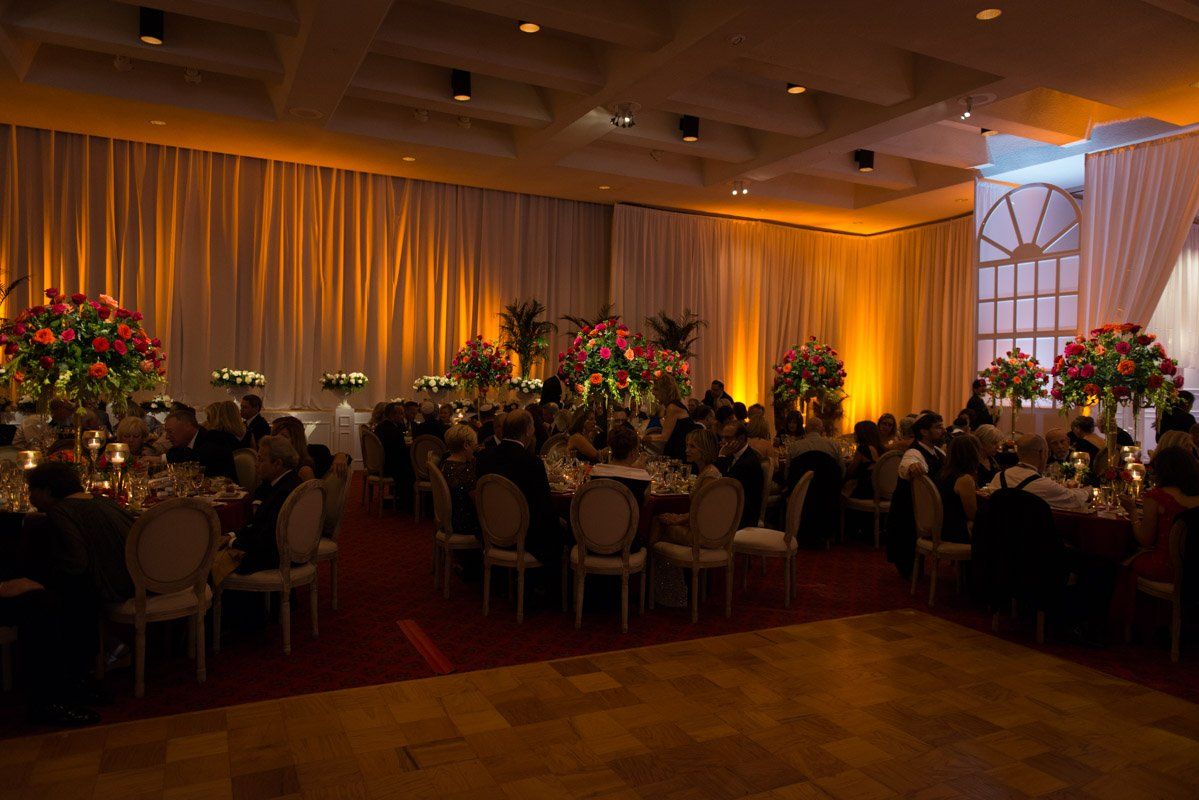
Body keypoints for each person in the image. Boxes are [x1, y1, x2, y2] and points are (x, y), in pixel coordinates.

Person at [0, 462, 134, 724]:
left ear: (47, 491)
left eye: (32, 491)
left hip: (112, 583)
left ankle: (72, 682)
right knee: (50, 602)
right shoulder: (102, 504)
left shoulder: (63, 513)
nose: (29, 498)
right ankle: (47, 701)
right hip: (129, 580)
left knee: (76, 597)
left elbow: (75, 561)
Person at [475, 409, 565, 568]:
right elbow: (544, 508)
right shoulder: (532, 463)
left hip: (490, 531)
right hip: (525, 538)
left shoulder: (483, 458)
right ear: (528, 430)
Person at [1124, 446, 1199, 585]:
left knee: (1123, 565)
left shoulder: (1157, 497)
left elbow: (1145, 540)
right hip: (1194, 568)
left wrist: (1133, 512)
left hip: (1169, 567)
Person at [231, 436, 303, 574]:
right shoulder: (286, 482)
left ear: (277, 464)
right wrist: (231, 535)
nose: (256, 464)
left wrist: (231, 543)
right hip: (279, 551)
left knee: (208, 562)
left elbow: (265, 537)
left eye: (261, 460)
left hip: (274, 557)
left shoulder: (284, 492)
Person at [887, 412, 946, 577]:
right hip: (910, 517)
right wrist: (913, 467)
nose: (943, 431)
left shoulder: (938, 452)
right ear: (924, 432)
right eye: (938, 427)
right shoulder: (914, 452)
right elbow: (907, 465)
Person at [652, 429, 722, 544]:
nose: (686, 450)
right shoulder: (705, 471)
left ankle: (647, 560)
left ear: (705, 448)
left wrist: (678, 519)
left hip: (704, 534)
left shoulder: (710, 475)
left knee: (658, 522)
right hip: (700, 526)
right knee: (659, 518)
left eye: (692, 447)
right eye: (687, 446)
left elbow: (704, 511)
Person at [986, 434, 1091, 510]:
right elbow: (1074, 500)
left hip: (1000, 536)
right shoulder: (1043, 485)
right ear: (1042, 453)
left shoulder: (998, 477)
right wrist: (1087, 492)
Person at [163, 408, 237, 479]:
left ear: (188, 426)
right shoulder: (183, 444)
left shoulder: (214, 439)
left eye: (170, 431)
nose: (167, 437)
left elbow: (196, 460)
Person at [716, 420, 763, 530]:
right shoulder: (733, 454)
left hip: (742, 515)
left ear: (741, 438)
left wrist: (721, 456)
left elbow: (723, 483)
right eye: (722, 437)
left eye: (727, 438)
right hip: (732, 505)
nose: (723, 442)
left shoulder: (748, 462)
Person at [437, 424, 480, 538]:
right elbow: (478, 502)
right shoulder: (464, 471)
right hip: (463, 523)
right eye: (474, 446)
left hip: (448, 518)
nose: (475, 450)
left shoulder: (445, 463)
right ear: (466, 445)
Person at [590, 425, 651, 503]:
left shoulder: (595, 472)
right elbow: (645, 505)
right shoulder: (641, 478)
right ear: (632, 453)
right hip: (629, 515)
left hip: (598, 514)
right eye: (637, 449)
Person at [938, 434, 981, 543]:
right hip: (955, 530)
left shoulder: (943, 473)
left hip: (941, 525)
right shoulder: (965, 479)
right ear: (974, 454)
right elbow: (972, 515)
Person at [374, 402, 414, 506]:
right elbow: (400, 449)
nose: (403, 416)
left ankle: (398, 497)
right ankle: (406, 502)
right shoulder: (392, 429)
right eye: (400, 414)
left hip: (379, 463)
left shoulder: (381, 426)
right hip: (389, 466)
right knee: (412, 467)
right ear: (392, 415)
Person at [647, 375, 691, 460]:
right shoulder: (672, 405)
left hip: (679, 453)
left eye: (656, 389)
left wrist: (643, 438)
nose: (653, 392)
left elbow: (664, 437)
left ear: (665, 391)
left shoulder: (672, 407)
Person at [270, 416, 319, 480]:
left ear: (295, 441)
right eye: (274, 435)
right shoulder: (273, 463)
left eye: (283, 436)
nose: (277, 440)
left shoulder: (304, 470)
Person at [846, 420, 883, 500]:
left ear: (862, 434)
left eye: (855, 432)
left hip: (865, 490)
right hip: (879, 489)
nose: (853, 434)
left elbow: (851, 470)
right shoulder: (880, 448)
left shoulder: (863, 448)